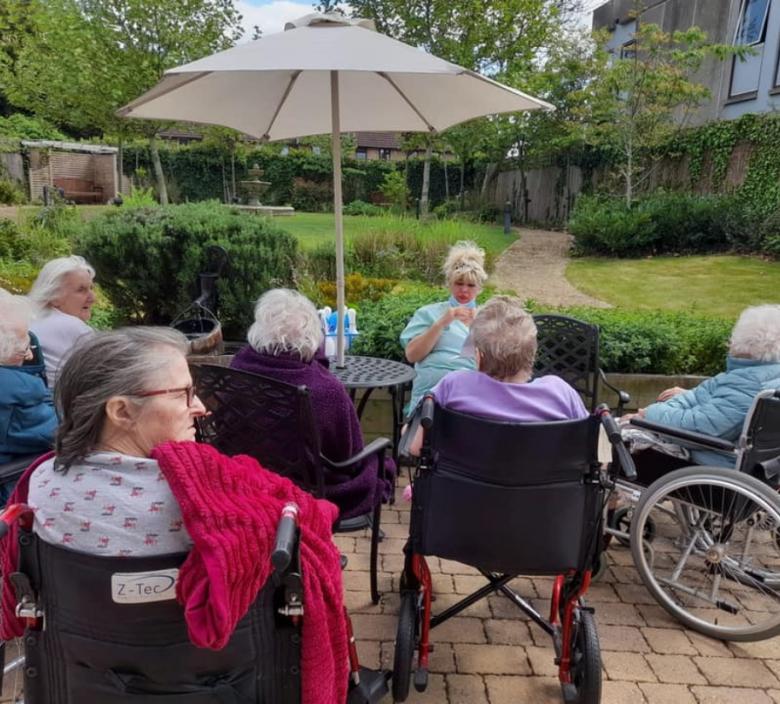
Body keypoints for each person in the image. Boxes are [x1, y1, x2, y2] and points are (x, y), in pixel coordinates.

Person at [2, 327, 348, 702]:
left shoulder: (41, 488)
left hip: (84, 684)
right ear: (121, 411)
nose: (201, 407)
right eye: (183, 394)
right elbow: (310, 520)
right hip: (229, 684)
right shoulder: (229, 503)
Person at [230, 288, 396, 520]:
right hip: (309, 492)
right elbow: (348, 454)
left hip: (247, 480)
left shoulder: (237, 368)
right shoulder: (325, 390)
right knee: (379, 461)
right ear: (312, 337)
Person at [409, 296, 588, 455]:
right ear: (532, 354)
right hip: (543, 483)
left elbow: (415, 446)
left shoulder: (454, 385)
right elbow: (593, 451)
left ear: (479, 356)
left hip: (462, 483)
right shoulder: (560, 393)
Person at [625, 304, 780, 481]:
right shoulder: (762, 375)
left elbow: (702, 428)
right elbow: (698, 396)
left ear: (743, 343)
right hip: (755, 469)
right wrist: (667, 407)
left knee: (619, 434)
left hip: (713, 470)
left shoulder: (748, 382)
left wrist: (649, 414)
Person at [400, 240, 487, 414]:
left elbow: (494, 369)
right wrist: (441, 323)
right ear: (449, 283)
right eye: (459, 283)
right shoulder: (429, 313)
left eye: (470, 285)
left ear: (479, 288)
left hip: (469, 394)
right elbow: (412, 355)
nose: (464, 290)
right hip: (429, 396)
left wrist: (478, 329)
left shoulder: (486, 320)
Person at [0, 291, 57, 495]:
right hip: (11, 496)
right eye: (24, 348)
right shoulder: (20, 391)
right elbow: (62, 432)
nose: (31, 355)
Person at [28, 255, 96, 386]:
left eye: (91, 288)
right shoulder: (73, 326)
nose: (93, 298)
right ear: (54, 296)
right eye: (81, 290)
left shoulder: (26, 319)